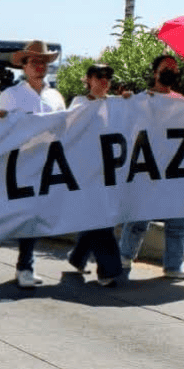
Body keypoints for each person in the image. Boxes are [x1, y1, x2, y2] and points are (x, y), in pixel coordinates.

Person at [118, 54, 184, 280]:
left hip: (173, 168)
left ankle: (174, 265)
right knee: (138, 217)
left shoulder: (182, 102)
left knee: (178, 218)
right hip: (147, 167)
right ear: (155, 72)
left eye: (174, 70)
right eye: (166, 68)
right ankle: (124, 256)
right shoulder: (141, 99)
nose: (171, 72)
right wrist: (125, 102)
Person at [0, 40, 65, 288]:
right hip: (19, 164)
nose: (39, 66)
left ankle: (25, 266)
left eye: (43, 62)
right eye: (33, 61)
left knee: (33, 217)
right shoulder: (10, 96)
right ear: (23, 66)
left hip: (46, 165)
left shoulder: (55, 97)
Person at [64, 64, 123, 286]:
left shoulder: (115, 105)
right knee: (101, 218)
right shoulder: (80, 104)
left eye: (108, 76)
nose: (105, 80)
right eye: (99, 76)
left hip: (109, 171)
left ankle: (78, 257)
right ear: (88, 79)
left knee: (96, 216)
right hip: (85, 171)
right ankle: (108, 270)